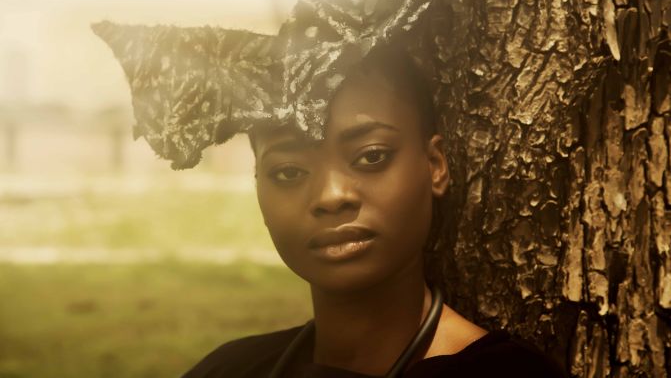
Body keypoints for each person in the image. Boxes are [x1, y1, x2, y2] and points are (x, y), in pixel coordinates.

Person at [180, 45, 567, 378]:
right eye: (288, 172)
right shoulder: (229, 368)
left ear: (435, 165)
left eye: (371, 157)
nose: (331, 196)